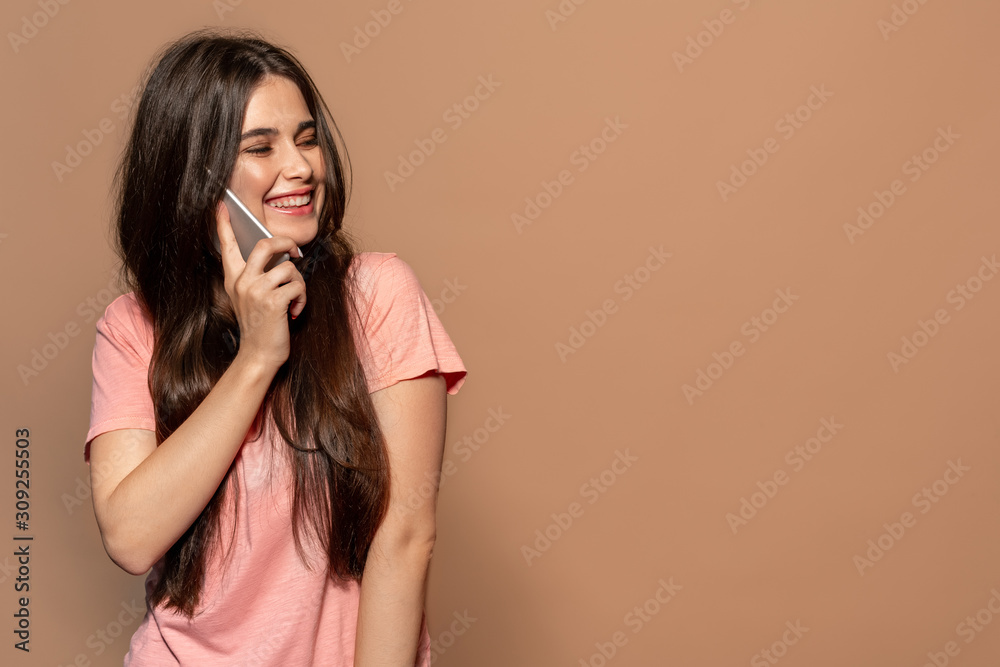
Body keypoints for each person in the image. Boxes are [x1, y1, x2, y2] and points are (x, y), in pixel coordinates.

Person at [84, 28, 467, 666]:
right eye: (261, 147)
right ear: (194, 176)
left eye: (307, 139)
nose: (302, 167)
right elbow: (130, 536)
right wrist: (258, 357)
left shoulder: (377, 294)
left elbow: (405, 537)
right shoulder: (131, 328)